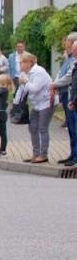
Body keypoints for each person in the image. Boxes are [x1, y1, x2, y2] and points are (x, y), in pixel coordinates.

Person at [11, 52, 54, 164]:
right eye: (20, 62)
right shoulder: (24, 73)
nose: (20, 64)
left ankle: (43, 155)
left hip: (46, 102)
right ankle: (36, 153)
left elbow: (35, 89)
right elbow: (21, 89)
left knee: (42, 128)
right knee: (32, 127)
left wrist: (25, 82)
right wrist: (15, 103)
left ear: (29, 62)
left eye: (22, 62)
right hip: (36, 104)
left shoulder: (39, 72)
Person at [56, 33, 77, 166]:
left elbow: (69, 77)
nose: (65, 43)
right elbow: (61, 74)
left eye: (68, 41)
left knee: (74, 127)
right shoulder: (68, 58)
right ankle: (73, 154)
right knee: (70, 126)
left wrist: (54, 84)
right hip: (66, 94)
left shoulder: (73, 60)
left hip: (71, 96)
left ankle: (75, 155)